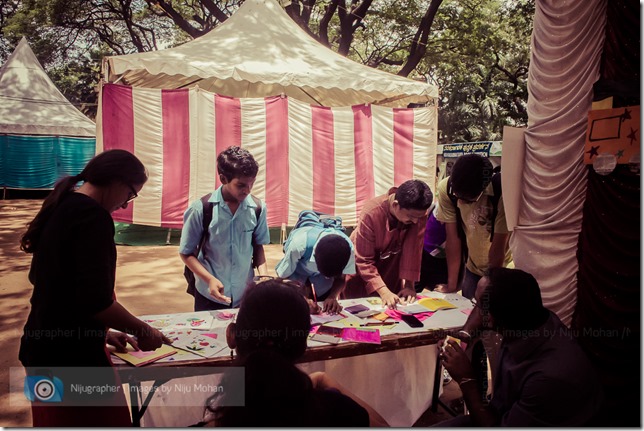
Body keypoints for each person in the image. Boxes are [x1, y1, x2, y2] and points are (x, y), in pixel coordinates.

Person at [19, 149, 170, 427]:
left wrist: (100, 331)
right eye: (130, 194)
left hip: (40, 350)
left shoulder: (63, 205)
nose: (125, 204)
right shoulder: (93, 217)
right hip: (71, 361)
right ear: (116, 181)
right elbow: (96, 301)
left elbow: (52, 285)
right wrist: (145, 330)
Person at [203, 278, 387, 427]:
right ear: (302, 345)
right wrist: (328, 381)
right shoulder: (334, 410)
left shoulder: (220, 422)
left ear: (233, 336)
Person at [439, 268, 603, 426]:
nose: (476, 309)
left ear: (491, 318)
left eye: (479, 305)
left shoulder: (548, 378)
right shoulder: (531, 318)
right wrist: (465, 333)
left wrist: (466, 379)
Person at [179, 146, 270, 311]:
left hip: (245, 295)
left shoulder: (258, 208)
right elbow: (186, 253)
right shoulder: (201, 209)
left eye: (252, 183)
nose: (248, 190)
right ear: (223, 179)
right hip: (209, 295)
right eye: (241, 185)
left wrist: (263, 277)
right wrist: (209, 280)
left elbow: (258, 247)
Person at [343, 179, 433, 308]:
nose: (415, 221)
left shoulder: (417, 214)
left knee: (391, 312)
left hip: (391, 267)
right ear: (396, 205)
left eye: (418, 217)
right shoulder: (371, 212)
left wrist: (409, 285)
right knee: (360, 315)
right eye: (410, 216)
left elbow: (414, 249)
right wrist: (384, 291)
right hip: (361, 271)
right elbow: (364, 260)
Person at [435, 154, 512, 299]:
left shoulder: (502, 192)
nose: (461, 203)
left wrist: (489, 283)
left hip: (503, 268)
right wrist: (452, 284)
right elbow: (453, 239)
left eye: (467, 200)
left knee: (492, 315)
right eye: (457, 196)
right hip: (472, 268)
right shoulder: (446, 189)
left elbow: (499, 244)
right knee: (466, 311)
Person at [275, 227, 355, 314]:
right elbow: (283, 279)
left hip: (322, 285)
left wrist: (332, 296)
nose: (326, 277)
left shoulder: (349, 250)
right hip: (296, 275)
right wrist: (302, 299)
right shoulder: (298, 246)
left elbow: (341, 279)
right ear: (314, 258)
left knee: (322, 308)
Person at [415, 201, 448, 292]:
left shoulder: (453, 216)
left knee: (439, 292)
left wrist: (453, 285)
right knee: (413, 290)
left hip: (443, 261)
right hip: (423, 255)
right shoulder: (431, 208)